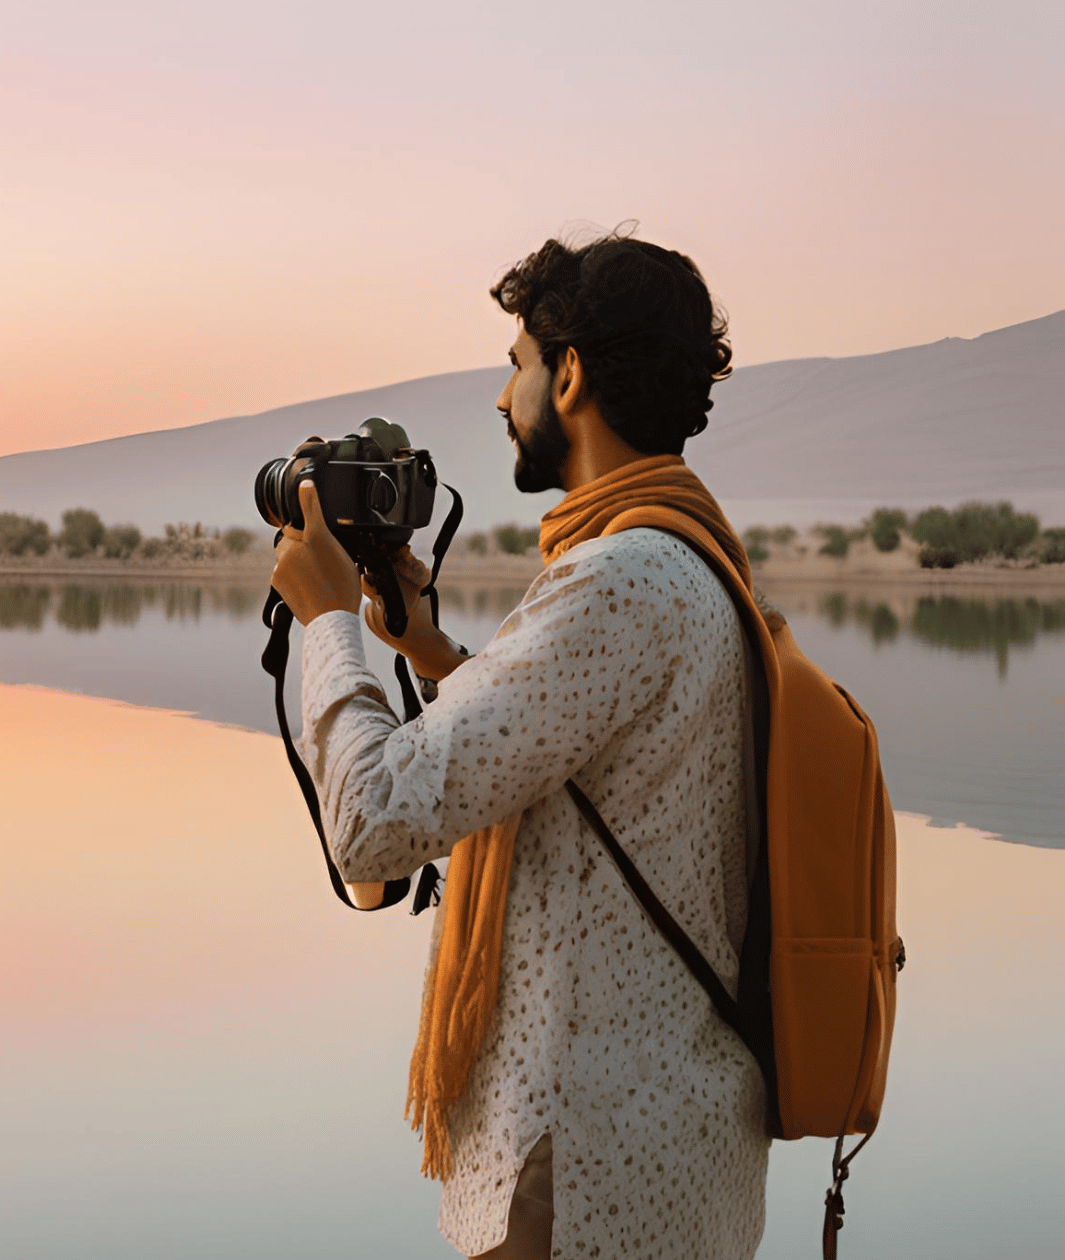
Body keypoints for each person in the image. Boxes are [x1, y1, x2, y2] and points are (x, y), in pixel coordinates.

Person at [268, 232, 768, 1260]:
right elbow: (566, 768)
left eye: (515, 365)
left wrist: (329, 625)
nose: (502, 398)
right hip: (670, 1152)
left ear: (570, 373)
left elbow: (368, 828)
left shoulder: (616, 580)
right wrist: (423, 646)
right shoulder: (693, 560)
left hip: (582, 1174)